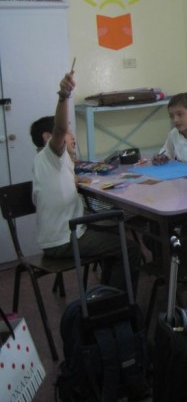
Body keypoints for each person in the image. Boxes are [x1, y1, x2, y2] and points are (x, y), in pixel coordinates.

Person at [31, 70, 141, 293]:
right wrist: (64, 96)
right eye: (68, 132)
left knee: (113, 233)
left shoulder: (47, 161)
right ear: (48, 137)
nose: (72, 136)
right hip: (64, 239)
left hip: (60, 234)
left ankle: (106, 292)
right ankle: (115, 303)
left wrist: (77, 178)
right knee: (129, 249)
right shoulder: (51, 155)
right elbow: (60, 128)